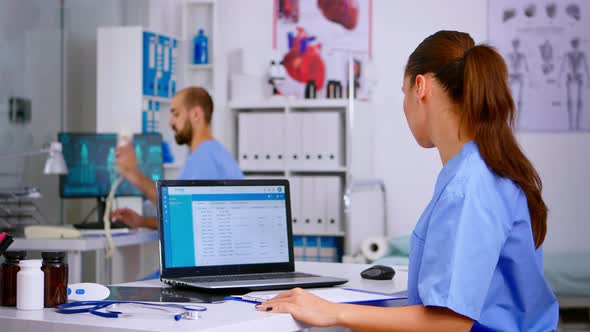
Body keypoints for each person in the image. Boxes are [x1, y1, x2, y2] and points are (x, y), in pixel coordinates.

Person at [256, 30, 559, 331]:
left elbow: (448, 323)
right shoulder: (478, 168)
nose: (404, 106)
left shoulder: (470, 186)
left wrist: (333, 312)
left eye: (403, 93)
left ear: (420, 87)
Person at [112, 87, 243, 229]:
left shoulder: (203, 158)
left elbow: (179, 211)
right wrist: (142, 222)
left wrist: (132, 173)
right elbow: (187, 219)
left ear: (196, 115)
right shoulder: (214, 153)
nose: (171, 122)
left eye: (176, 114)